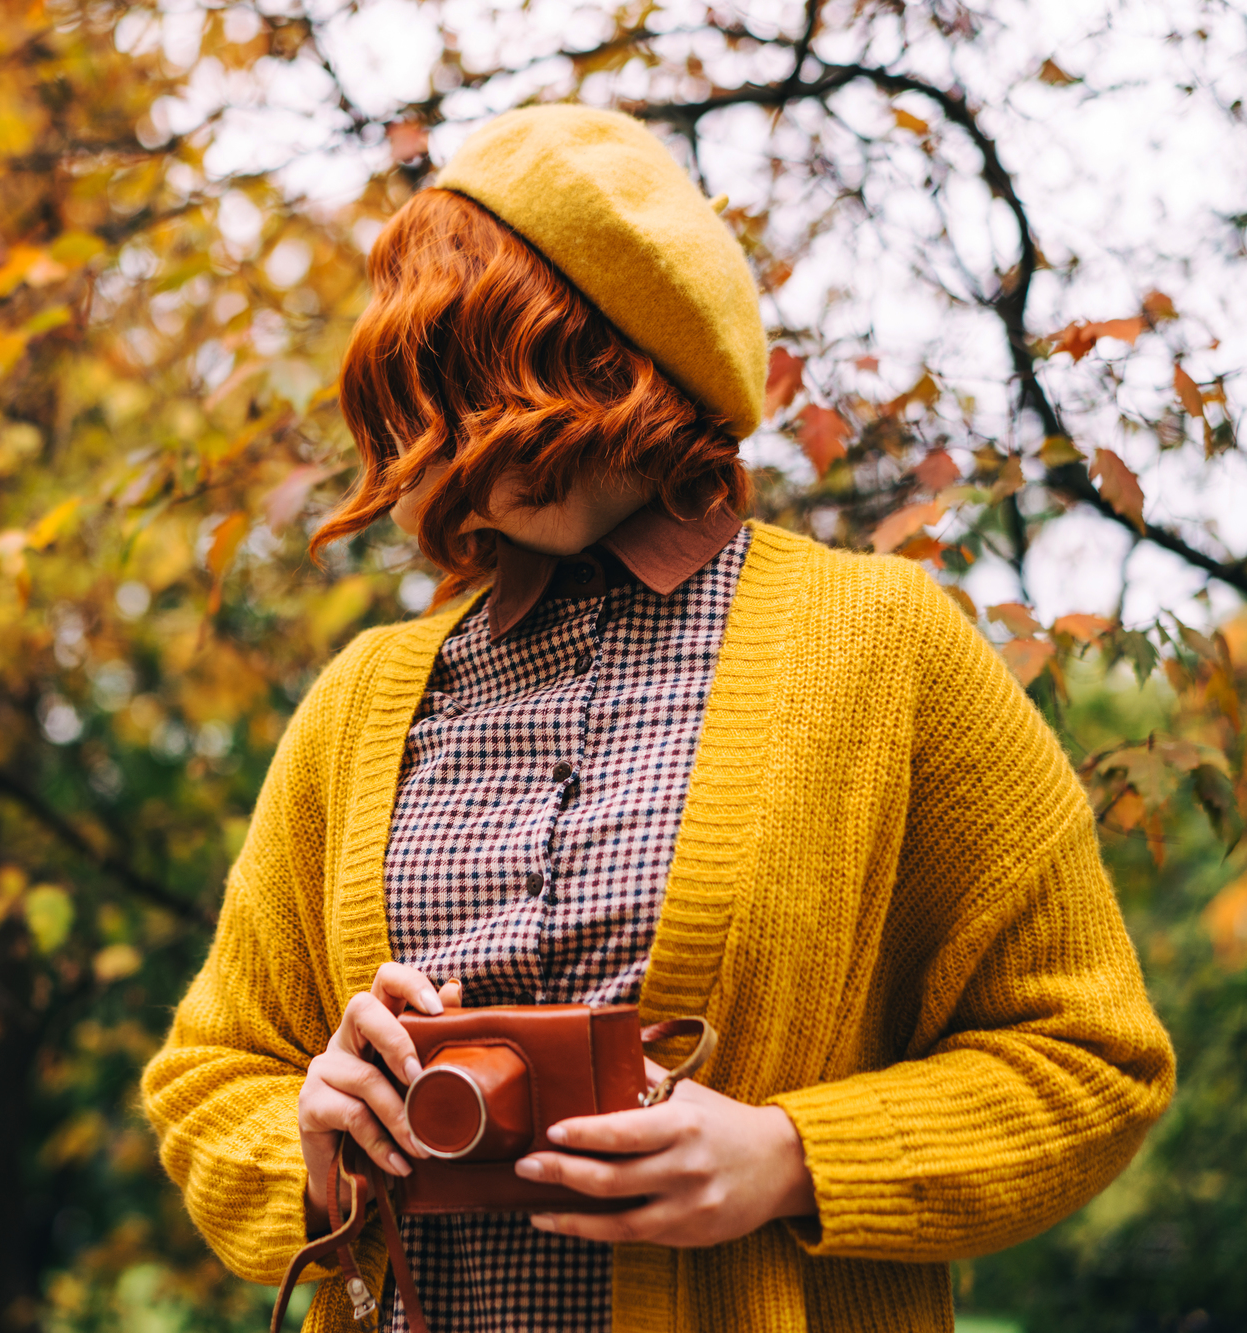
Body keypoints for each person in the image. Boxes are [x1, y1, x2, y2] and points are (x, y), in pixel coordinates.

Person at [141, 104, 1175, 1333]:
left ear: (640, 362)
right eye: (446, 389)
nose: (480, 437)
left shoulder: (880, 645)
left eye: (517, 382)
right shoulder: (360, 699)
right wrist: (318, 1142)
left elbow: (1091, 1059)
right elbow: (209, 1078)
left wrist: (792, 1157)